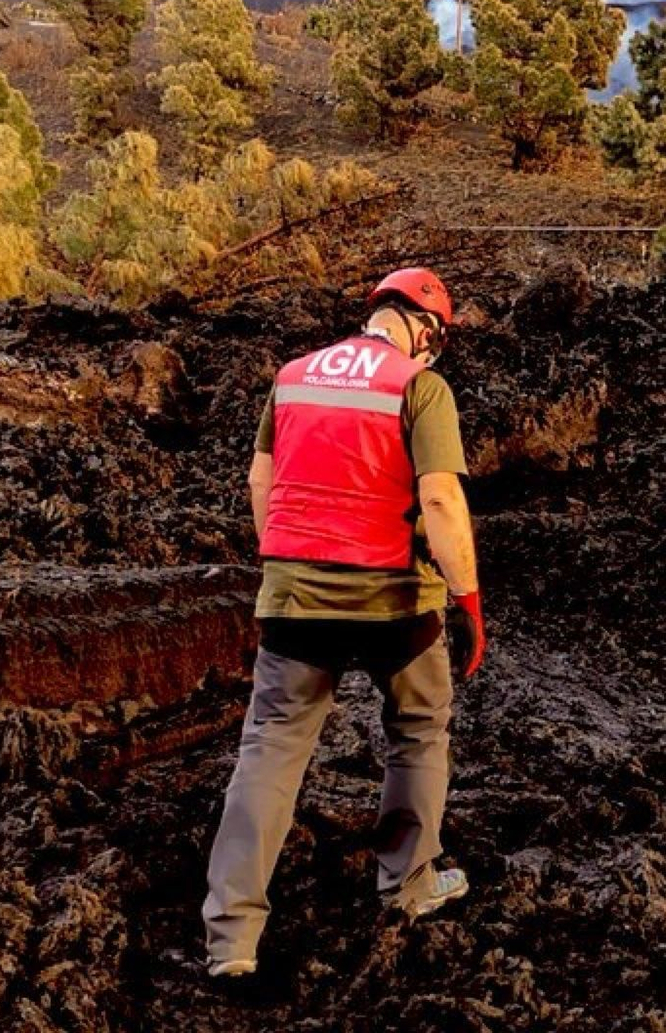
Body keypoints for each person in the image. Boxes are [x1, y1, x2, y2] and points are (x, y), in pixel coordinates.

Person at [201, 267, 485, 980]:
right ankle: (410, 888)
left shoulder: (293, 376)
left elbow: (260, 480)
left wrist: (285, 562)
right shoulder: (420, 387)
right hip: (396, 604)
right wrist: (469, 599)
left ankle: (231, 941)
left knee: (269, 751)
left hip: (296, 603)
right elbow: (443, 502)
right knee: (419, 731)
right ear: (425, 330)